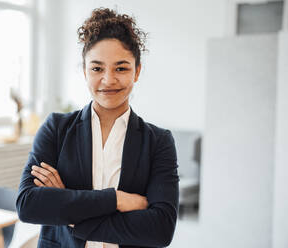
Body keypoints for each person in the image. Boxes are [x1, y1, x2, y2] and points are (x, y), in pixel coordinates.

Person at [16, 7, 179, 248]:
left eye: (121, 68)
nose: (108, 79)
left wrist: (69, 213)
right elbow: (28, 205)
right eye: (97, 68)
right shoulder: (56, 129)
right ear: (84, 71)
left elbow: (160, 229)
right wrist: (116, 200)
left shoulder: (158, 141)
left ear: (137, 72)